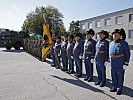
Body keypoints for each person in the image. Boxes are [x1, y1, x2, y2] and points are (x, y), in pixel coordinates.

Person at [109, 28, 130, 95]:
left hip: (120, 62)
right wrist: (109, 61)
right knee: (113, 75)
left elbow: (128, 53)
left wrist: (126, 63)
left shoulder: (124, 43)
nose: (114, 36)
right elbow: (109, 52)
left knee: (120, 76)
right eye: (113, 34)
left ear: (120, 35)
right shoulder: (111, 43)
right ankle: (114, 86)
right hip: (113, 62)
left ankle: (119, 88)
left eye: (116, 34)